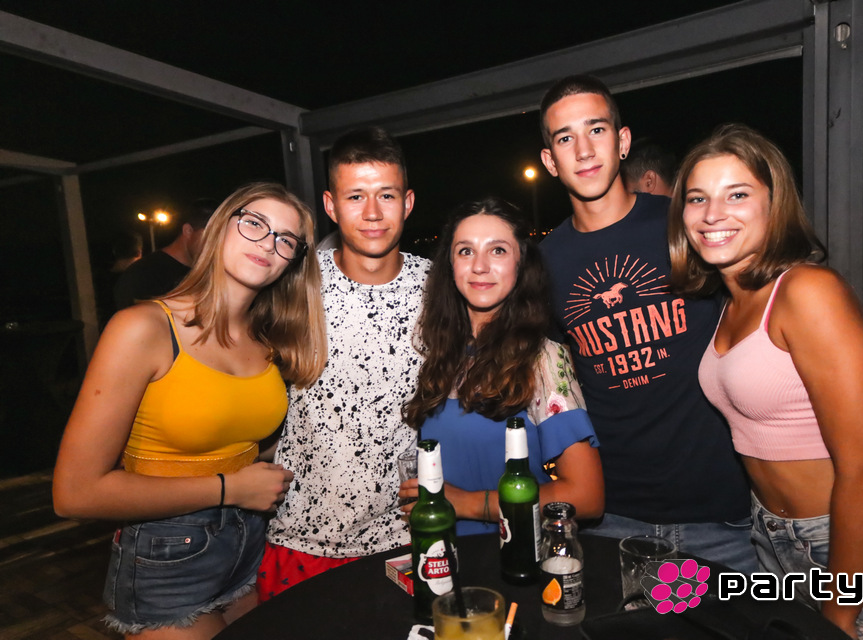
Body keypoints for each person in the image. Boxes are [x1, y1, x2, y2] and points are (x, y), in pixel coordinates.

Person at [535, 75, 863, 573]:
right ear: (550, 160)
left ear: (622, 141)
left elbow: (781, 307)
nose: (583, 150)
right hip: (613, 517)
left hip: (728, 518)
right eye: (565, 138)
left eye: (596, 129)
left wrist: (856, 405)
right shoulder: (542, 265)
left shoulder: (692, 226)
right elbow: (548, 381)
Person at [670, 123, 863, 639]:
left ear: (774, 203)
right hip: (775, 542)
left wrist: (841, 612)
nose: (712, 214)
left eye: (737, 194)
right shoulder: (731, 304)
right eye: (697, 198)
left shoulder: (806, 290)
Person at [52, 182, 327, 639]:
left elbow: (238, 440)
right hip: (168, 555)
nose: (267, 244)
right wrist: (230, 488)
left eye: (286, 239)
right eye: (255, 224)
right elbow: (75, 494)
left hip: (248, 543)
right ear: (220, 227)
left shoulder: (265, 339)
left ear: (293, 261)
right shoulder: (143, 328)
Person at [259, 127, 431, 601]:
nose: (372, 213)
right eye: (355, 196)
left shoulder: (440, 288)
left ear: (408, 202)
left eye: (386, 195)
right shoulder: (292, 286)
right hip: (302, 536)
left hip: (405, 537)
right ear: (331, 206)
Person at [400, 197, 603, 535]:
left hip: (514, 554)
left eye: (497, 250)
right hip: (445, 555)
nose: (479, 266)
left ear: (521, 264)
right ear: (450, 265)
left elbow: (587, 495)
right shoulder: (438, 354)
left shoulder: (541, 359)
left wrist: (467, 503)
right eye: (466, 251)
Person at [114, 198, 217, 309]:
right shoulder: (143, 275)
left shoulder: (210, 273)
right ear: (188, 231)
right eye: (211, 235)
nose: (216, 244)